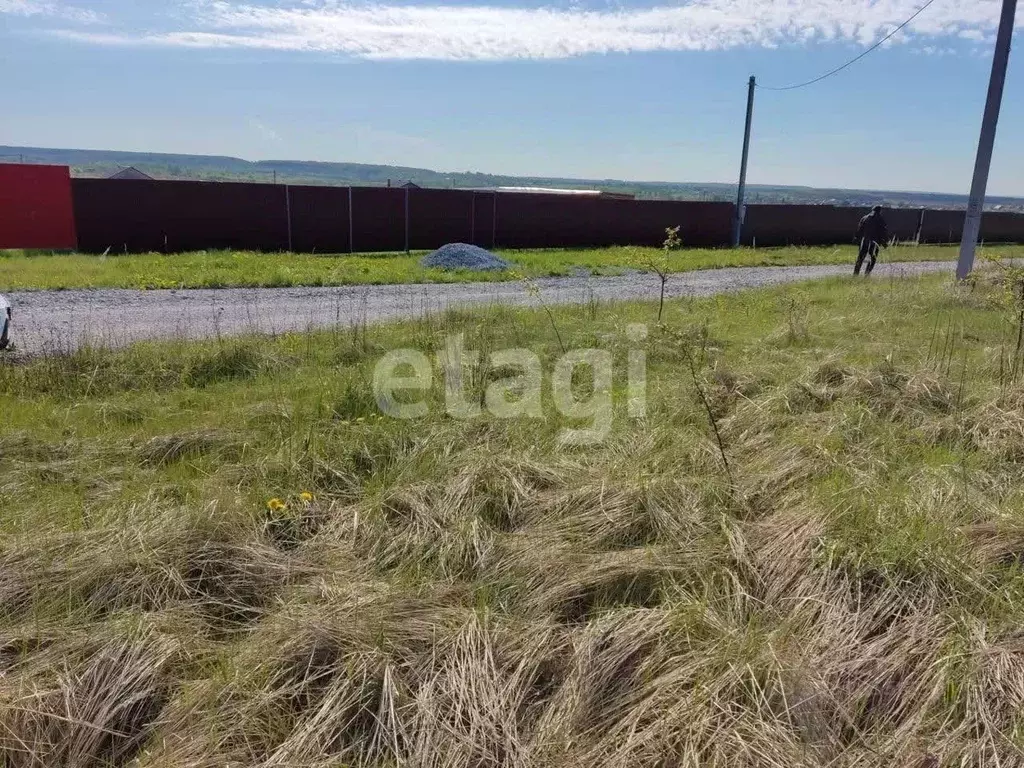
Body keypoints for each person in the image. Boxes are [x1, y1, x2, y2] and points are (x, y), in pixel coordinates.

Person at [854, 205, 889, 276]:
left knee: (860, 258)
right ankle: (867, 274)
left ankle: (855, 274)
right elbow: (883, 232)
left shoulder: (864, 218)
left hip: (865, 241)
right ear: (880, 211)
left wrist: (857, 238)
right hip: (874, 243)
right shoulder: (880, 219)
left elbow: (859, 230)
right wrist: (884, 242)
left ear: (872, 210)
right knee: (873, 259)